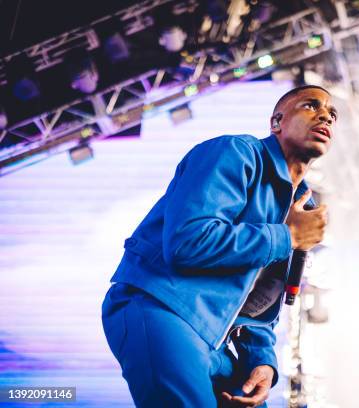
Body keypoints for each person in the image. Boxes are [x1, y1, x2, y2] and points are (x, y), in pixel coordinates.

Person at [101, 85, 337, 407]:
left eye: (331, 114)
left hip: (218, 341)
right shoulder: (237, 153)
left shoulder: (299, 204)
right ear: (276, 122)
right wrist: (288, 237)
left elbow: (259, 300)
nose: (326, 115)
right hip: (163, 307)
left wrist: (261, 360)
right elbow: (188, 241)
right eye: (311, 106)